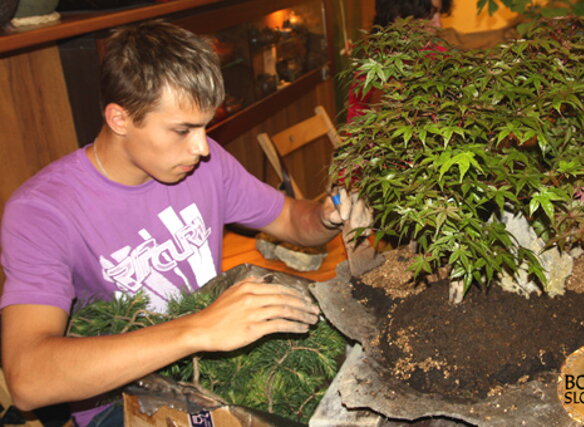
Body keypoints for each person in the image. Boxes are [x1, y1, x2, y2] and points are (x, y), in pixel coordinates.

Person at [0, 20, 366, 426]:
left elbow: (292, 221)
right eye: (182, 130)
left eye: (205, 126)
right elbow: (28, 379)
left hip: (215, 370)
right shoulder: (43, 211)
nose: (202, 148)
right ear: (120, 119)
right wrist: (198, 328)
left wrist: (327, 216)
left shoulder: (202, 167)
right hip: (124, 402)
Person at [346, 0, 453, 122]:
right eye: (429, 15)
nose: (439, 25)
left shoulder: (442, 57)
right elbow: (356, 133)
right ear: (397, 18)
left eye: (439, 13)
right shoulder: (372, 75)